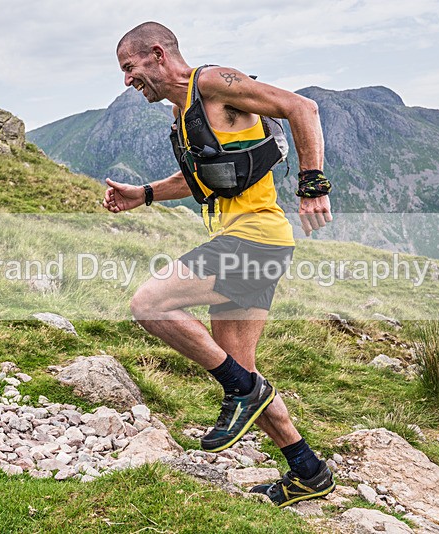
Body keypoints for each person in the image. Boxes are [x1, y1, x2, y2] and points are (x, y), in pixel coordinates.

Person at [104, 21, 334, 507]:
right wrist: (143, 194)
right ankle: (307, 470)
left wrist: (313, 185)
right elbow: (203, 177)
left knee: (150, 303)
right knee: (245, 371)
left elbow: (302, 108)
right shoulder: (182, 111)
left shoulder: (211, 83)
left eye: (129, 68)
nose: (126, 80)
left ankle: (241, 392)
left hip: (256, 239)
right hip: (248, 241)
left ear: (158, 55)